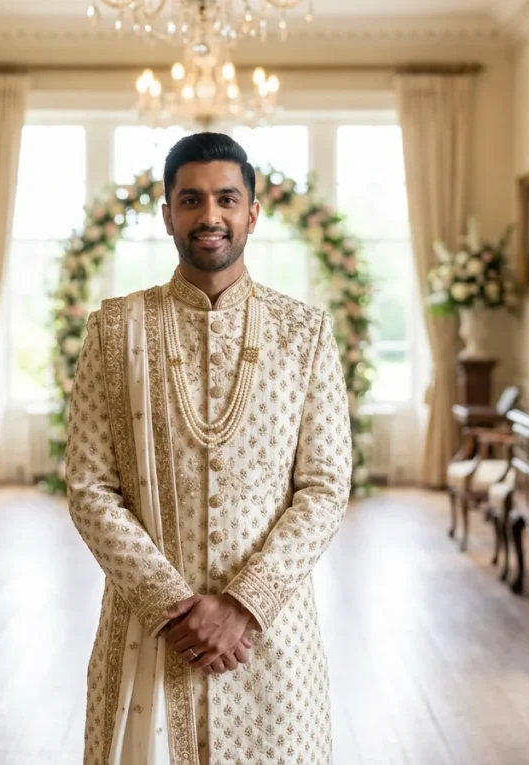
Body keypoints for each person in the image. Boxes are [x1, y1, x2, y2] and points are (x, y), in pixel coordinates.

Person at [65, 132, 352, 765]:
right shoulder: (115, 330)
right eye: (191, 200)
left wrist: (244, 606)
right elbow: (89, 487)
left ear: (253, 211)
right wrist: (175, 608)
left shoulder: (303, 332)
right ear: (167, 214)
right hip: (148, 633)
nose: (210, 216)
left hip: (269, 643)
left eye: (227, 198)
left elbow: (327, 487)